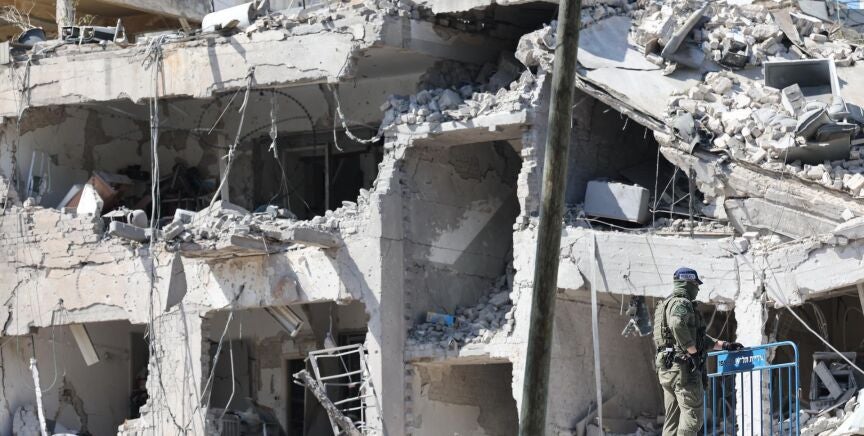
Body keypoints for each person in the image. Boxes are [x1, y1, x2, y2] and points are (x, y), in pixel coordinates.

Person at [653, 267, 743, 436]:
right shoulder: (682, 303)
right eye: (696, 284)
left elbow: (697, 337)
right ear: (687, 283)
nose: (698, 289)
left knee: (673, 420)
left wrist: (724, 345)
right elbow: (677, 324)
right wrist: (693, 353)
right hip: (683, 369)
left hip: (667, 369)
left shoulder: (666, 304)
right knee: (692, 418)